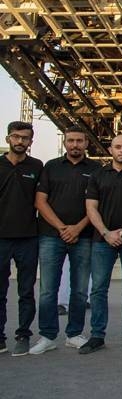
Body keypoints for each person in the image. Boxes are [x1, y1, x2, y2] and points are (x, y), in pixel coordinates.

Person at [30, 125, 100, 355]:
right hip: (52, 236)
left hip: (84, 236)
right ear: (65, 142)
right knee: (48, 289)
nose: (75, 145)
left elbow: (96, 206)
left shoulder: (96, 169)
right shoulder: (51, 167)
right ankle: (47, 336)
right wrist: (62, 227)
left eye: (80, 141)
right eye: (71, 141)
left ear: (86, 143)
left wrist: (78, 227)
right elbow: (40, 201)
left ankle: (74, 334)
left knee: (80, 290)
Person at [81, 134, 122, 354]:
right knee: (98, 289)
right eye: (118, 147)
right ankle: (97, 335)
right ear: (110, 150)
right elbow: (91, 208)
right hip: (102, 240)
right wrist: (107, 233)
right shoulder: (97, 175)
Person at [0, 121, 43, 356]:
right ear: (8, 139)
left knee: (26, 291)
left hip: (28, 237)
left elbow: (42, 200)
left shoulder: (37, 167)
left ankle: (23, 335)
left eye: (25, 138)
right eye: (16, 137)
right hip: (1, 238)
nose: (20, 141)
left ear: (30, 142)